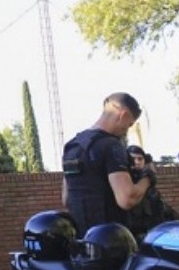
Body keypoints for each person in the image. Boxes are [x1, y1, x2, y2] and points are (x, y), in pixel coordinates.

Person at [61, 93, 154, 234]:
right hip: (110, 242)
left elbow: (66, 199)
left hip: (81, 241)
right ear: (122, 115)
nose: (126, 131)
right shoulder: (112, 146)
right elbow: (126, 199)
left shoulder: (73, 146)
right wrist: (148, 177)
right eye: (129, 125)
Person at [124, 145, 178, 240]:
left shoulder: (149, 184)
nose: (137, 162)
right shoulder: (124, 182)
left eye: (140, 159)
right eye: (133, 159)